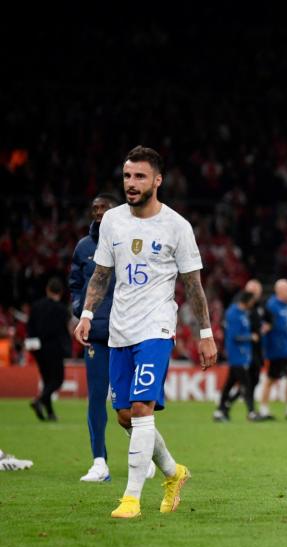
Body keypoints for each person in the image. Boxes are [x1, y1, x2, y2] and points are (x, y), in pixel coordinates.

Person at [74, 145, 218, 519]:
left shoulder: (177, 226)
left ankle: (131, 498)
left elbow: (193, 285)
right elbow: (101, 274)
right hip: (120, 327)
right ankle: (174, 472)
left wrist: (205, 333)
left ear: (157, 180)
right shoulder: (113, 222)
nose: (131, 184)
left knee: (141, 408)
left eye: (139, 176)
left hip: (156, 325)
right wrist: (87, 313)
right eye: (126, 176)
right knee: (123, 414)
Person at [70, 193, 122, 482]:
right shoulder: (84, 247)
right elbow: (75, 284)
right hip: (99, 334)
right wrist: (82, 311)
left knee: (129, 400)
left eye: (104, 208)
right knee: (96, 398)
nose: (99, 212)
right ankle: (99, 462)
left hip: (129, 332)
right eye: (95, 209)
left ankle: (143, 455)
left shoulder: (130, 241)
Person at [26, 278, 72, 422]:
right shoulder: (62, 309)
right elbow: (66, 330)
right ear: (61, 292)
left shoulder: (36, 306)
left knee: (47, 381)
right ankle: (39, 400)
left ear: (47, 289)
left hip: (39, 349)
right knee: (57, 380)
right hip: (55, 349)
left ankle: (50, 413)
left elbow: (30, 327)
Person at [213, 291, 260, 422]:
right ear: (247, 300)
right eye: (251, 300)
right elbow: (234, 336)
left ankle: (221, 410)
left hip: (243, 354)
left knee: (230, 384)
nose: (253, 303)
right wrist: (251, 337)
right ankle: (251, 412)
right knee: (246, 384)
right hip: (237, 355)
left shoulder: (243, 313)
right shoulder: (233, 314)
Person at [260, 279, 287, 420]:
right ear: (280, 291)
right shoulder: (271, 306)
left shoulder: (285, 306)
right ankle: (264, 410)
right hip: (275, 350)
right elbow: (265, 328)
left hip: (285, 349)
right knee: (270, 380)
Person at [244, 279, 268, 417]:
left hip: (257, 349)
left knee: (254, 379)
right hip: (244, 350)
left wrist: (266, 326)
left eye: (256, 293)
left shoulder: (261, 306)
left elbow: (270, 319)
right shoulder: (240, 306)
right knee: (245, 381)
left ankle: (225, 404)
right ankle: (251, 410)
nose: (255, 295)